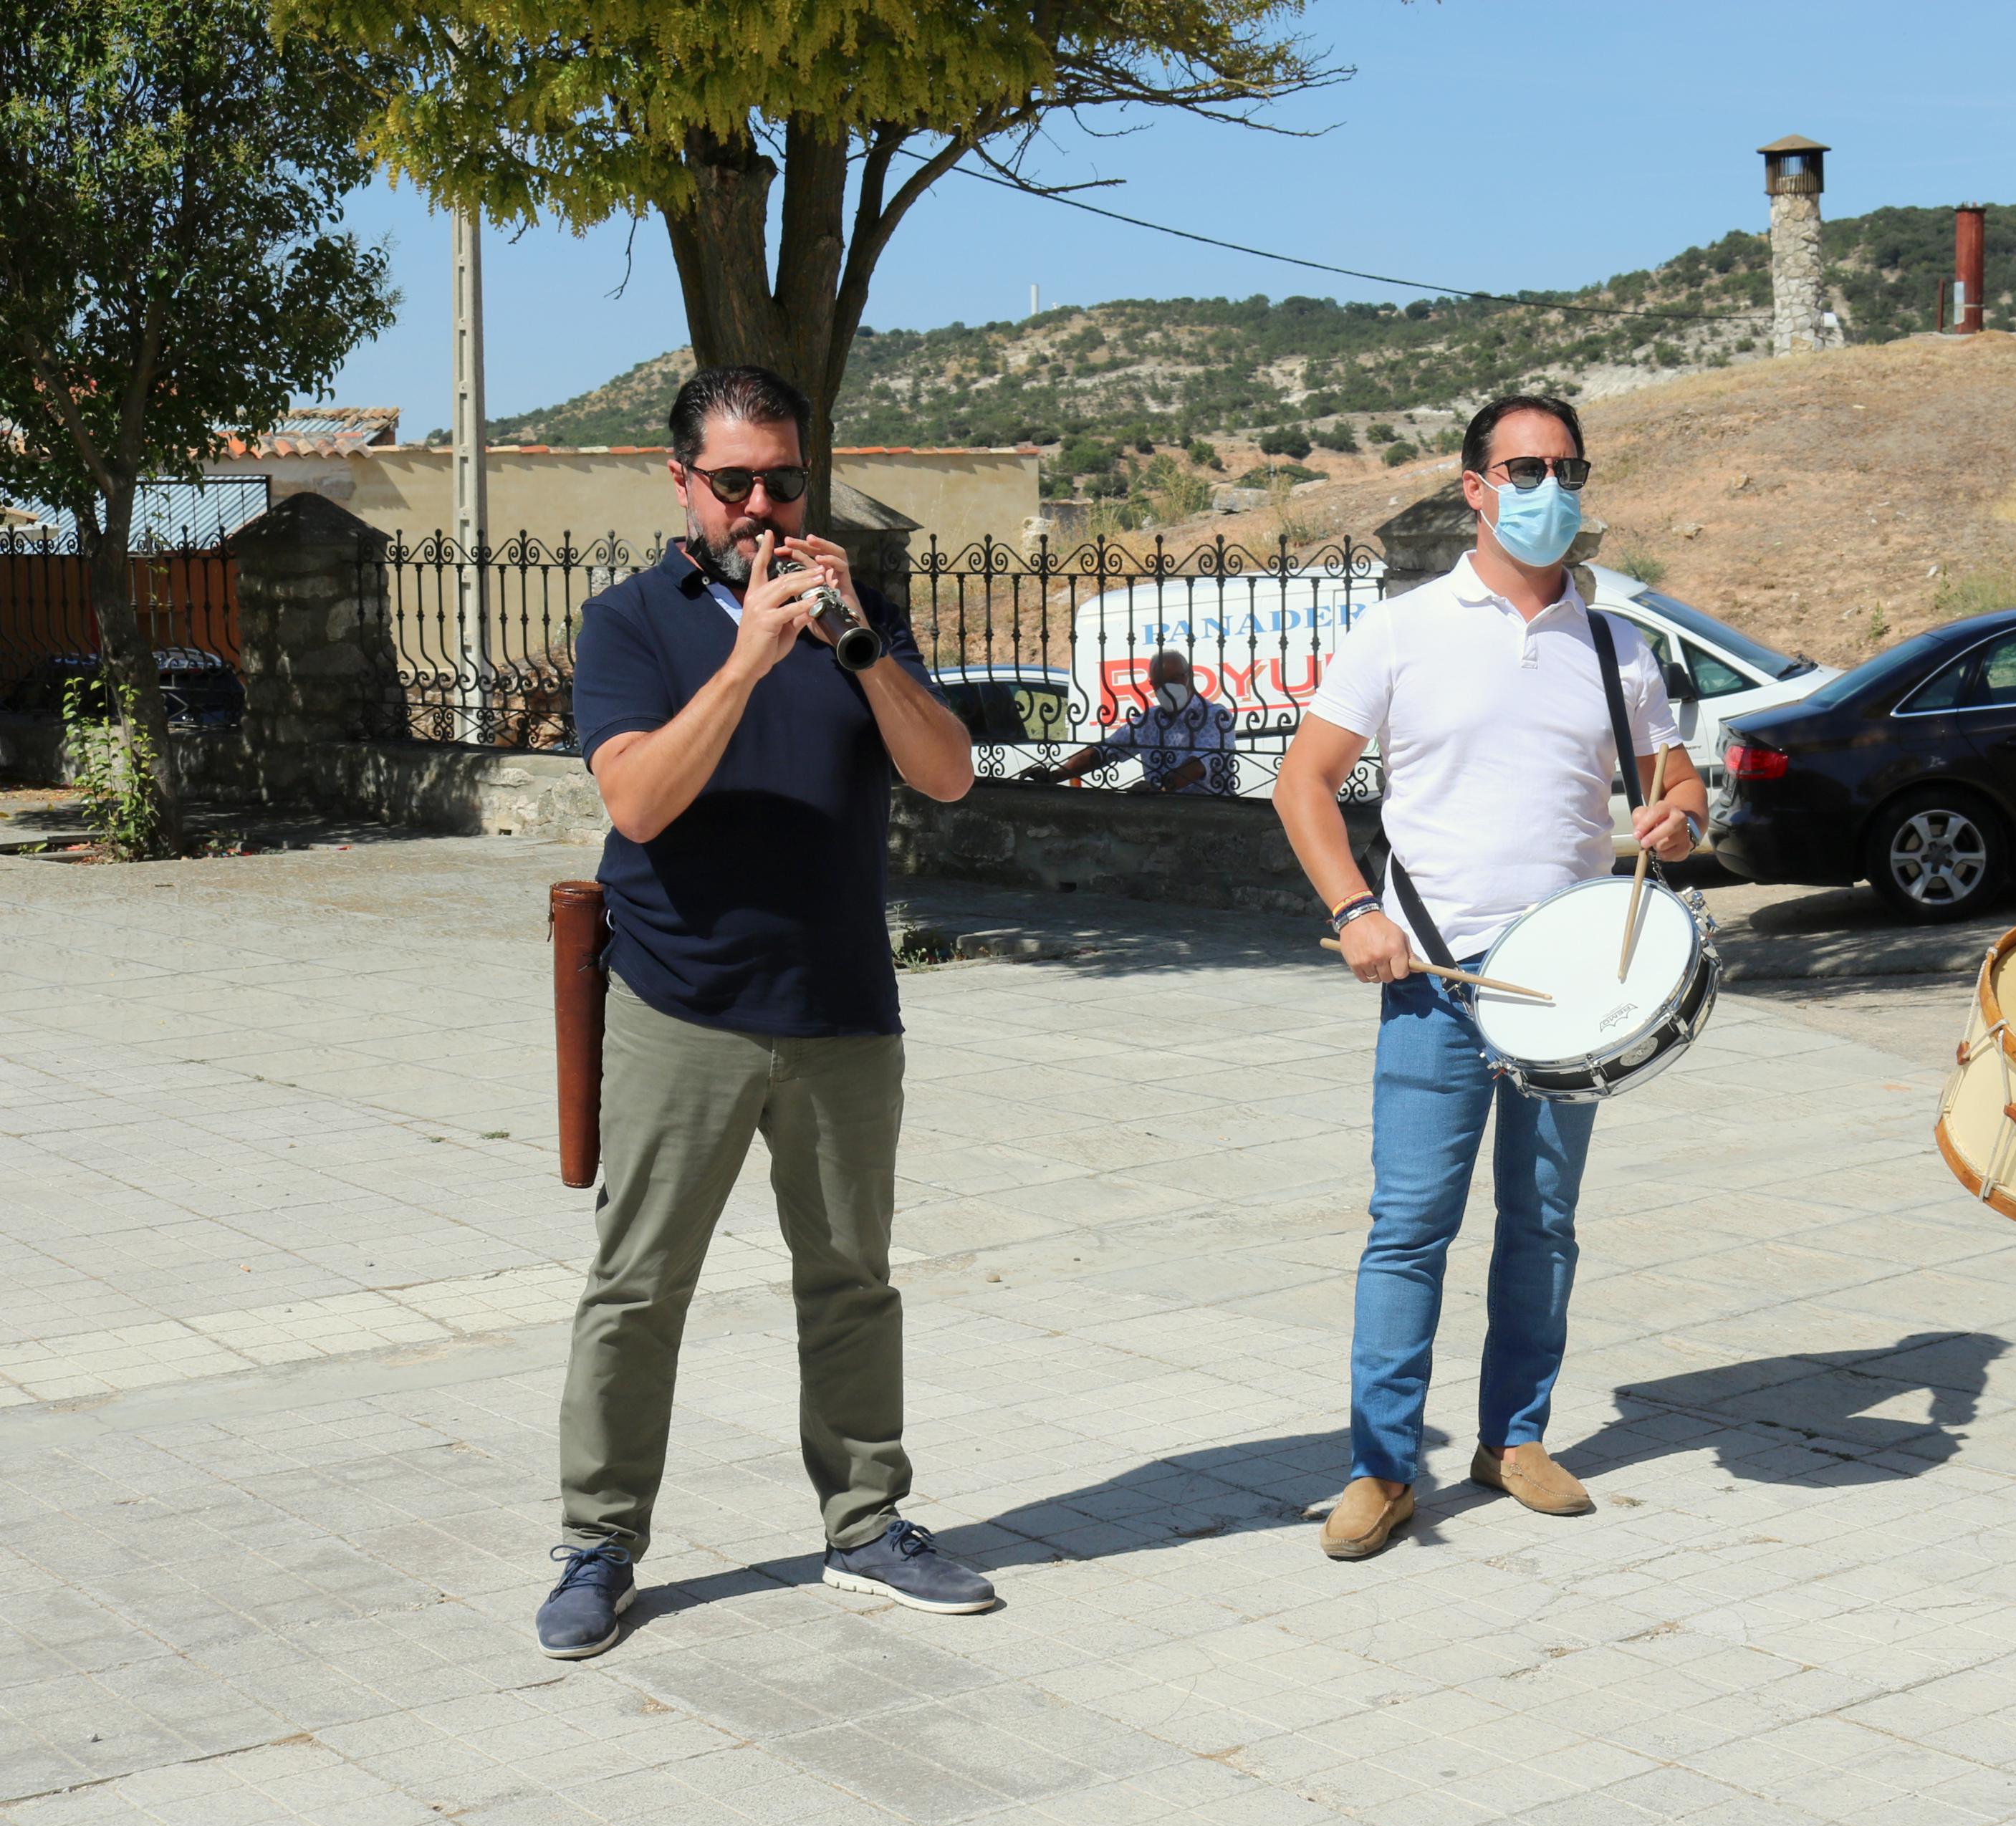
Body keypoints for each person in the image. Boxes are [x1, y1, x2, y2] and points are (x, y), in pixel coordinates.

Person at [538, 365, 985, 1659]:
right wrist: (745, 658)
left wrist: (855, 645)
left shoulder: (861, 617)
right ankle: (598, 1542)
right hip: (684, 1006)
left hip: (841, 1006)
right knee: (639, 1287)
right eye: (731, 482)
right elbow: (637, 801)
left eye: (782, 479)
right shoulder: (630, 624)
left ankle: (866, 1525)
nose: (759, 505)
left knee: (851, 1281)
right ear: (681, 485)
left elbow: (945, 774)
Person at [1274, 394, 1707, 1561]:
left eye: (1565, 467)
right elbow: (1301, 784)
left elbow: (1675, 785)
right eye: (1523, 468)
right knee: (1409, 1225)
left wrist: (1675, 815)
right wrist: (1353, 909)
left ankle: (1512, 1439)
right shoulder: (1402, 630)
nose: (1547, 488)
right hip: (1430, 974)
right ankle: (1378, 1470)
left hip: (1572, 994)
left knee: (1542, 1226)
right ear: (1473, 485)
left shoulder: (1618, 643)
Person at [1034, 648, 1237, 794]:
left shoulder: (1215, 717)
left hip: (1208, 811)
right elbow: (1104, 752)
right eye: (1159, 683)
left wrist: (1159, 787)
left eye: (1175, 679)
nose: (1167, 688)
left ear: (1189, 676)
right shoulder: (1149, 721)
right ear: (1152, 684)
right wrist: (1056, 776)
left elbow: (1199, 765)